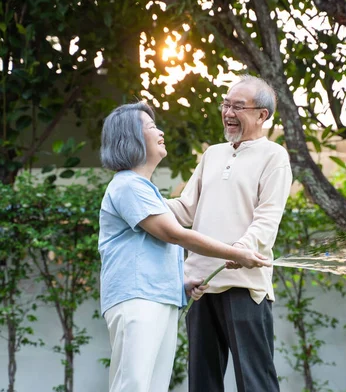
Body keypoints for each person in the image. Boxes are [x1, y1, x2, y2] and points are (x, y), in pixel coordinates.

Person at [98, 101, 271, 392]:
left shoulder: (146, 190)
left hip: (159, 298)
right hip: (137, 299)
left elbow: (150, 251)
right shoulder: (127, 185)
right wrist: (234, 252)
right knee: (134, 385)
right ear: (131, 139)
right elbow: (175, 234)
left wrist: (182, 283)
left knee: (153, 386)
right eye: (151, 127)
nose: (160, 131)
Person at [167, 75, 293, 392]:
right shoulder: (213, 154)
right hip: (199, 284)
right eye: (226, 104)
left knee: (255, 382)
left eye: (238, 106)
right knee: (202, 383)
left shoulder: (274, 156)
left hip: (244, 285)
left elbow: (267, 217)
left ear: (262, 115)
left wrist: (240, 249)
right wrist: (142, 203)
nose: (228, 112)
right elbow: (185, 208)